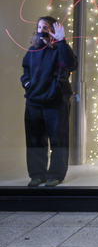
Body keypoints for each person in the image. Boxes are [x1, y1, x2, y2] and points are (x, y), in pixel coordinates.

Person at [21, 17, 78, 187]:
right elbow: (25, 70)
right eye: (39, 26)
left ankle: (56, 175)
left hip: (56, 101)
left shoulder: (59, 49)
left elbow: (71, 64)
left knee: (58, 139)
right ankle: (37, 175)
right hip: (33, 101)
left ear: (52, 28)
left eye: (45, 27)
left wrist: (61, 40)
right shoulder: (32, 50)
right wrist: (27, 84)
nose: (41, 30)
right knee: (34, 140)